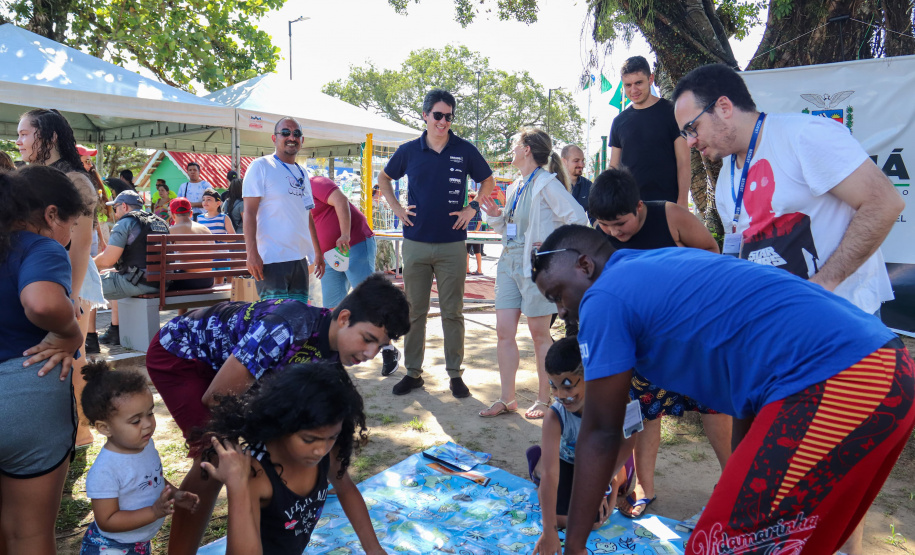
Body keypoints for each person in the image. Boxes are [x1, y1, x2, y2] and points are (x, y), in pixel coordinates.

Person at [531, 224, 915, 555]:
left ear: (585, 265)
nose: (561, 312)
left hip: (843, 379)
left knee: (717, 543)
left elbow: (601, 429)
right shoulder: (652, 267)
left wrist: (575, 545)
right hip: (886, 371)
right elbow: (749, 395)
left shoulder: (605, 295)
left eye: (557, 295)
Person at [672, 62, 906, 554]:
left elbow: (884, 203)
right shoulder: (727, 179)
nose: (691, 141)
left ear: (724, 107)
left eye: (691, 127)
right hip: (779, 347)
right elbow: (742, 253)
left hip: (843, 339)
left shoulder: (805, 136)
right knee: (778, 468)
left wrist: (821, 286)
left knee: (832, 468)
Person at [146, 274, 409, 554]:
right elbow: (217, 398)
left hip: (228, 368)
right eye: (368, 339)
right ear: (343, 318)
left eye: (379, 347)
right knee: (213, 455)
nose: (370, 354)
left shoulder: (333, 356)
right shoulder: (285, 328)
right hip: (180, 354)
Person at [589, 167, 731, 518]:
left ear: (638, 207)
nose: (613, 233)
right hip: (645, 341)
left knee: (713, 407)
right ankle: (644, 487)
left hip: (694, 332)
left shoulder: (672, 216)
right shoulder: (599, 232)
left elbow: (712, 252)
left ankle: (735, 484)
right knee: (645, 412)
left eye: (619, 224)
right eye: (605, 226)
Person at [377, 88, 496, 398]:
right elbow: (384, 179)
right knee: (414, 311)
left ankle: (455, 374)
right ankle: (413, 373)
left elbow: (489, 181)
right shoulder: (408, 150)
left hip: (452, 245)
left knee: (452, 312)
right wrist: (397, 209)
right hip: (415, 243)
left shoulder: (465, 149)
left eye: (449, 116)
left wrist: (473, 208)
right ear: (425, 115)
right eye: (438, 115)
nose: (443, 121)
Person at [199, 362, 387, 555]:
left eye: (332, 437)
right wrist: (237, 488)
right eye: (308, 439)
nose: (320, 449)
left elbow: (346, 489)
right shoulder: (256, 474)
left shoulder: (326, 454)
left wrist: (374, 549)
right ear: (282, 425)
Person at [0, 166, 89, 554]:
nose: (69, 237)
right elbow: (43, 302)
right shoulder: (38, 247)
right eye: (70, 224)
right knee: (29, 534)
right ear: (52, 215)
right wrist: (70, 333)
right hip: (24, 397)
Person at [478, 127, 587, 419]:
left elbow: (578, 219)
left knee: (540, 335)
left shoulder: (547, 183)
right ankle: (507, 399)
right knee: (504, 332)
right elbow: (510, 229)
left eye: (515, 144)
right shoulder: (516, 185)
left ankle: (544, 399)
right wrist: (494, 217)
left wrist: (555, 248)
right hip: (508, 263)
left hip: (537, 269)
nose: (511, 149)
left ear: (526, 149)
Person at [79, 361, 199, 555]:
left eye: (150, 413)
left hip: (138, 543)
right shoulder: (106, 470)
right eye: (135, 420)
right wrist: (153, 512)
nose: (147, 424)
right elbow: (107, 520)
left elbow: (152, 478)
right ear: (104, 428)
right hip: (111, 548)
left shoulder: (145, 445)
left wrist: (175, 494)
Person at [529, 337, 634, 555]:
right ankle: (539, 462)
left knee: (593, 522)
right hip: (568, 460)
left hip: (603, 462)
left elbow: (631, 440)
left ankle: (620, 476)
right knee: (552, 510)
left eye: (567, 386)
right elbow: (551, 477)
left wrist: (605, 485)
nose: (560, 395)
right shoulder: (555, 416)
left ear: (589, 375)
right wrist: (549, 531)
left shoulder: (620, 400)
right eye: (554, 387)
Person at [243, 117, 324, 302]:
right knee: (275, 321)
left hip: (299, 259)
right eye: (285, 133)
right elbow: (248, 213)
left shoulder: (302, 172)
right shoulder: (261, 166)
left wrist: (318, 252)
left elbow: (307, 214)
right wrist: (251, 254)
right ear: (274, 138)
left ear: (302, 140)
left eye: (297, 134)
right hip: (272, 260)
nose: (291, 137)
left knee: (298, 319)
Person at [608, 56, 690, 207]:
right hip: (630, 207)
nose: (633, 90)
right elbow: (614, 167)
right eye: (628, 85)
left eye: (638, 83)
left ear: (650, 79)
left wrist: (683, 201)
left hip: (668, 206)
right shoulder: (619, 122)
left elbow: (683, 162)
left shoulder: (673, 112)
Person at [94, 190, 170, 346]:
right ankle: (115, 331)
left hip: (140, 283)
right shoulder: (160, 222)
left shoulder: (125, 222)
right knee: (112, 274)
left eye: (115, 208)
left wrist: (87, 265)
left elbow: (108, 259)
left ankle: (88, 339)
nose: (115, 213)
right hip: (162, 282)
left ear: (124, 206)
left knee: (85, 283)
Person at [310, 176, 376, 308]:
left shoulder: (315, 183)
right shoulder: (288, 199)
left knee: (367, 299)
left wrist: (345, 234)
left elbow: (341, 200)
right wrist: (317, 253)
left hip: (354, 243)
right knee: (332, 307)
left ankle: (382, 328)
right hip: (327, 255)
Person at [168, 197, 216, 292]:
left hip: (187, 281)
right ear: (191, 213)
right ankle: (182, 307)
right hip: (208, 280)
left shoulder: (172, 230)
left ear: (173, 215)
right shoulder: (205, 229)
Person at [561, 145, 593, 221]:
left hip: (578, 231)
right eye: (576, 161)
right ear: (564, 162)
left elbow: (594, 216)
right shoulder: (554, 184)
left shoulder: (588, 185)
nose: (582, 165)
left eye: (583, 161)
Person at [465, 192, 484, 275]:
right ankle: (467, 269)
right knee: (466, 251)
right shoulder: (468, 209)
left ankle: (479, 269)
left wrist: (476, 231)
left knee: (477, 251)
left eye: (469, 197)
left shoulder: (477, 209)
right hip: (468, 233)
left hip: (475, 234)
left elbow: (479, 221)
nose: (467, 199)